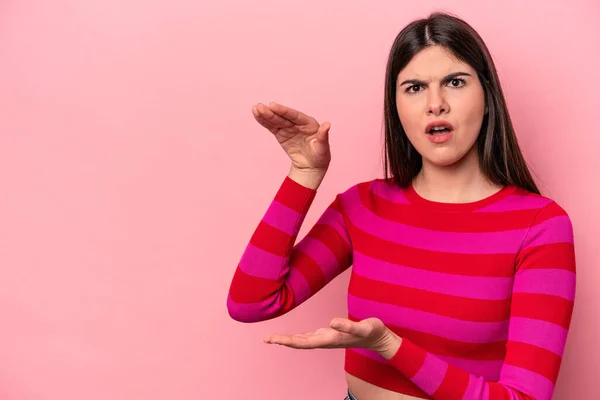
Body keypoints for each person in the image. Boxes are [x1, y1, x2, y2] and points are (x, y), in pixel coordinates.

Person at [226, 11, 576, 400]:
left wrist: (390, 346)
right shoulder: (362, 206)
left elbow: (524, 398)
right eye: (414, 88)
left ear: (488, 97)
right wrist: (304, 174)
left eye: (455, 82)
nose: (435, 104)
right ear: (396, 108)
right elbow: (251, 302)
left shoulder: (540, 226)